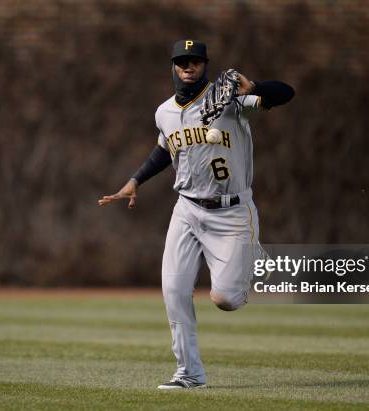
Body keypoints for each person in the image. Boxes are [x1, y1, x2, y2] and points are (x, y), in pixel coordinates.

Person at [98, 39, 294, 389]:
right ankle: (190, 374)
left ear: (206, 65)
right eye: (181, 61)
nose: (188, 67)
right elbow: (164, 149)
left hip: (233, 212)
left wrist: (256, 88)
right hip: (187, 209)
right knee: (174, 290)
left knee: (226, 299)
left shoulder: (232, 103)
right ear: (173, 66)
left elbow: (286, 93)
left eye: (195, 62)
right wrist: (135, 180)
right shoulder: (164, 112)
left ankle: (246, 270)